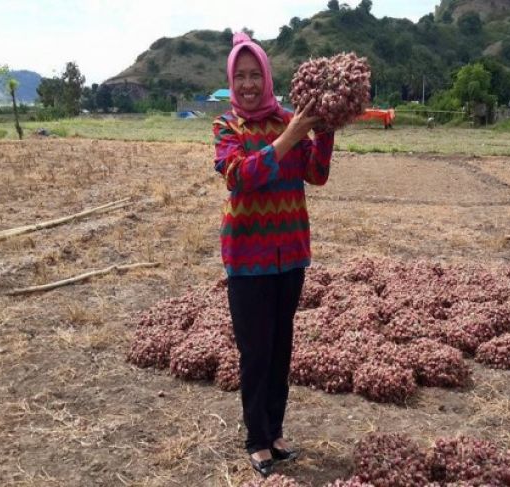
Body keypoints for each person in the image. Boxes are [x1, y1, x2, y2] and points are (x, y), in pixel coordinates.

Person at [212, 32, 334, 477]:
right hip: (247, 258)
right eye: (240, 76)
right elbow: (240, 176)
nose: (247, 83)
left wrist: (325, 131)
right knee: (255, 351)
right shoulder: (228, 127)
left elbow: (316, 175)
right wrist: (289, 135)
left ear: (267, 77)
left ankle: (276, 431)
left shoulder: (289, 118)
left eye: (254, 74)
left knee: (282, 348)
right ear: (231, 81)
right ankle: (256, 439)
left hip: (290, 254)